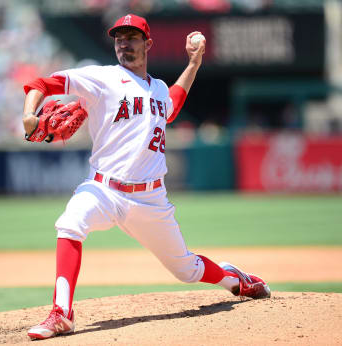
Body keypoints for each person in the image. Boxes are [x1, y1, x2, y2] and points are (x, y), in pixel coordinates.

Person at [22, 14, 270, 340]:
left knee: (187, 269)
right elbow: (42, 84)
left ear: (147, 43)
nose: (124, 43)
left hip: (150, 199)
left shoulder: (157, 88)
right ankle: (61, 313)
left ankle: (236, 280)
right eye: (119, 38)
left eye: (132, 37)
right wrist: (29, 114)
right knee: (70, 222)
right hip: (104, 189)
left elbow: (173, 104)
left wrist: (193, 64)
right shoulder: (102, 78)